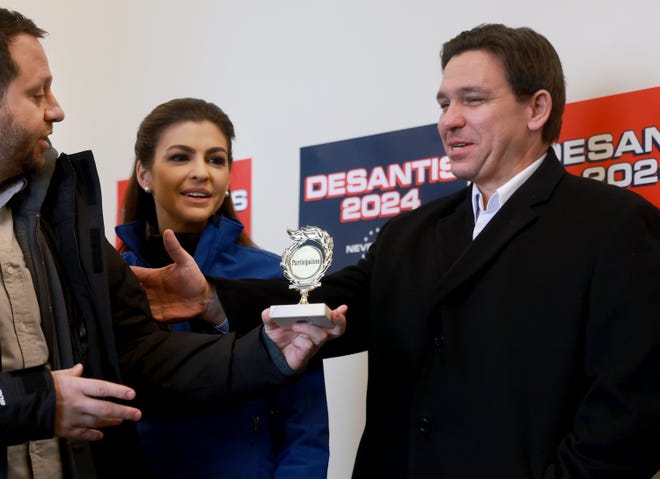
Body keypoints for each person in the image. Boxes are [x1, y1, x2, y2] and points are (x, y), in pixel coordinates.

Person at [134, 24, 660, 478]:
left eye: (472, 100)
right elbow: (333, 303)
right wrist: (212, 298)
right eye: (443, 103)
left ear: (537, 108)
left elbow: (629, 416)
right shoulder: (412, 231)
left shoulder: (612, 225)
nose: (449, 119)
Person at [0, 8, 345, 479]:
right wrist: (31, 401)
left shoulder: (64, 234)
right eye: (37, 93)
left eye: (217, 158)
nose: (56, 108)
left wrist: (265, 352)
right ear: (143, 173)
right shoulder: (108, 253)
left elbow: (146, 356)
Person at [115, 97, 330, 478]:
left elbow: (305, 428)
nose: (202, 172)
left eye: (216, 159)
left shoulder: (274, 277)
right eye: (181, 157)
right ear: (144, 174)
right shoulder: (114, 278)